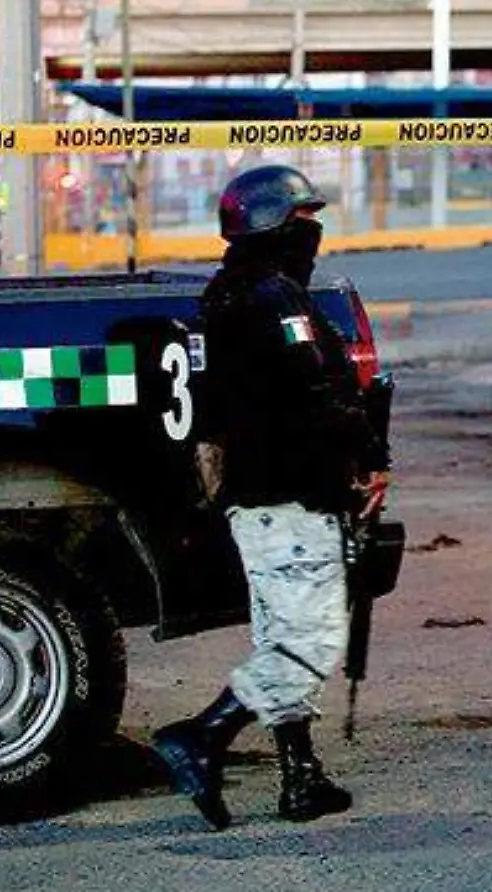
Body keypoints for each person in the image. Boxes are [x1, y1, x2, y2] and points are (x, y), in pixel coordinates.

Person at [151, 164, 392, 831]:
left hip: (257, 500)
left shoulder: (228, 295)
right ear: (274, 227)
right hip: (291, 499)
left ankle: (300, 778)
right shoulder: (274, 300)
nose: (313, 233)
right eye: (303, 221)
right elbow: (318, 392)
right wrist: (371, 459)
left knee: (281, 635)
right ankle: (203, 736)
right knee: (309, 640)